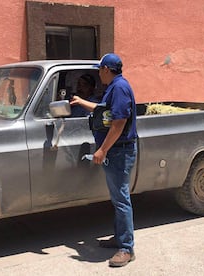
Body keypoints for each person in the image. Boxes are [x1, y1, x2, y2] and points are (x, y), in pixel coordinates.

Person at [70, 53, 138, 267]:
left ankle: (126, 248)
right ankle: (119, 238)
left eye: (100, 69)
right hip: (115, 151)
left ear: (106, 69)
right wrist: (81, 102)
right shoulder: (113, 88)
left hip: (118, 151)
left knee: (121, 200)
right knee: (118, 199)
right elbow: (102, 110)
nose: (99, 73)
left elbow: (119, 123)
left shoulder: (119, 88)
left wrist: (102, 150)